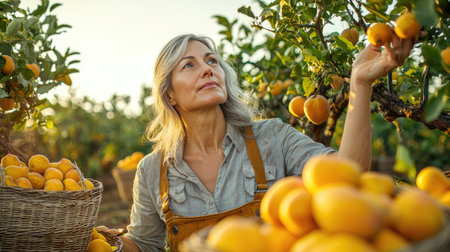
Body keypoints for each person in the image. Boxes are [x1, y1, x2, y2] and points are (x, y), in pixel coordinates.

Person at [101, 33, 414, 252]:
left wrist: (360, 82)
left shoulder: (272, 138)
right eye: (189, 65)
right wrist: (99, 241)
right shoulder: (152, 170)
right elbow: (143, 244)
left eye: (211, 60)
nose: (208, 68)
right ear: (169, 94)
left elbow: (348, 173)